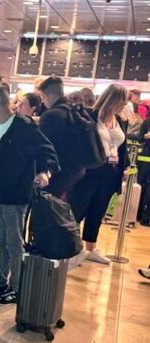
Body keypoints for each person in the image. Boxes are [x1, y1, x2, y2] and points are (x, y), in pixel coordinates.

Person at [0, 86, 59, 306]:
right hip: (0, 192)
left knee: (13, 242)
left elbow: (48, 151)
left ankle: (17, 287)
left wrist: (45, 172)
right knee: (2, 240)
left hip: (16, 194)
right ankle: (1, 281)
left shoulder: (24, 127)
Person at [68, 84, 130, 267]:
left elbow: (122, 146)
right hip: (89, 171)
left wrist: (124, 167)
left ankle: (90, 247)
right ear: (112, 99)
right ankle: (71, 249)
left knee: (98, 211)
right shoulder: (90, 115)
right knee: (78, 209)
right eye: (122, 100)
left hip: (110, 172)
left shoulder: (121, 120)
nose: (124, 104)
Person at [39, 76, 87, 201]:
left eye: (43, 97)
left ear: (51, 96)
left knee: (48, 209)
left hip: (58, 173)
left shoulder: (51, 116)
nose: (43, 102)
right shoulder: (75, 111)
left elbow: (43, 146)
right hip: (78, 171)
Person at [134, 115, 150, 226]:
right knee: (140, 187)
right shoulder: (146, 123)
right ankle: (137, 214)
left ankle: (146, 217)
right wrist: (146, 136)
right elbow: (139, 138)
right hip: (144, 160)